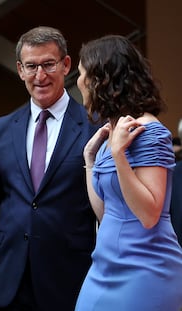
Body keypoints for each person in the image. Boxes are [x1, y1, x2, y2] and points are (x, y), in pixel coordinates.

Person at [0, 26, 98, 311]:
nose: (40, 76)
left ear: (66, 65)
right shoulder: (3, 129)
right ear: (20, 69)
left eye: (48, 65)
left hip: (69, 279)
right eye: (31, 66)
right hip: (8, 281)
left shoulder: (94, 127)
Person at [75, 34, 182, 310]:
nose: (77, 82)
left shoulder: (150, 132)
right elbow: (105, 212)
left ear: (100, 80)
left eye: (81, 74)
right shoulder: (113, 133)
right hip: (103, 265)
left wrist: (118, 156)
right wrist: (90, 159)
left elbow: (148, 215)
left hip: (145, 269)